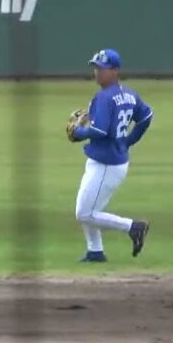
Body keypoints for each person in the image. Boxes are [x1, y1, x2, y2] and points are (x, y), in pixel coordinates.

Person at [69, 48, 153, 262]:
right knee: (91, 208)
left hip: (106, 163)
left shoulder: (105, 97)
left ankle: (133, 227)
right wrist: (128, 141)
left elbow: (100, 131)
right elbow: (146, 116)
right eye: (96, 67)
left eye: (102, 68)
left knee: (84, 213)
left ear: (115, 71)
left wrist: (79, 133)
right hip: (111, 160)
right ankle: (95, 251)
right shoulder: (129, 94)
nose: (97, 72)